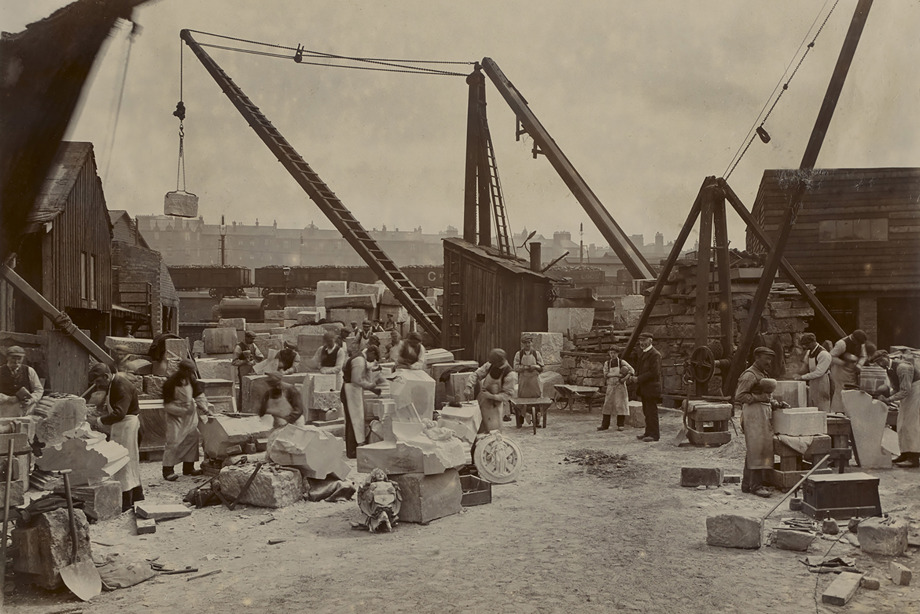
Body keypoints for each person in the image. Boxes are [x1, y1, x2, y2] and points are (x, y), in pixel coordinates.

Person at [84, 363, 144, 511]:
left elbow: (119, 413)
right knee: (129, 462)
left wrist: (98, 421)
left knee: (123, 463)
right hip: (122, 426)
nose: (97, 386)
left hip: (127, 426)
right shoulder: (113, 383)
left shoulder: (121, 385)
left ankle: (126, 502)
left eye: (98, 382)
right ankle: (136, 496)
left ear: (106, 376)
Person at [734, 347, 782, 498]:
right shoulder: (749, 375)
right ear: (757, 358)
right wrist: (759, 399)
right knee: (756, 449)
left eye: (770, 359)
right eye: (766, 358)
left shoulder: (762, 374)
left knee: (757, 449)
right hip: (753, 414)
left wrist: (775, 403)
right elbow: (740, 396)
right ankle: (756, 486)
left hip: (762, 413)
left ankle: (747, 484)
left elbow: (766, 396)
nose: (769, 362)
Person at [161, 359, 212, 481]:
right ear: (182, 370)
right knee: (174, 441)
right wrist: (182, 411)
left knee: (192, 437)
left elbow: (199, 395)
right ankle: (167, 470)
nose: (191, 373)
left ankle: (188, 468)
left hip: (189, 415)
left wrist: (205, 409)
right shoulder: (170, 382)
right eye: (189, 371)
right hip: (175, 415)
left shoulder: (191, 379)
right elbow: (167, 405)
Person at [341, 346, 386, 459]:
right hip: (350, 390)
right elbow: (357, 379)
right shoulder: (359, 360)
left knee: (356, 419)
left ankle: (354, 448)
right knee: (353, 420)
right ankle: (352, 451)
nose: (373, 360)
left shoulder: (360, 358)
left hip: (353, 389)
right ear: (370, 352)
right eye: (374, 357)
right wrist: (372, 387)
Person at [878, 350, 920, 468]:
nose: (880, 364)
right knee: (901, 424)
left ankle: (914, 457)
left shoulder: (902, 367)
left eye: (881, 360)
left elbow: (905, 390)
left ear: (886, 357)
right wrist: (887, 396)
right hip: (908, 392)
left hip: (916, 391)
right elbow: (897, 388)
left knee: (911, 424)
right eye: (877, 362)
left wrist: (889, 399)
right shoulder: (889, 369)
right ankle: (905, 453)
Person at [465, 349, 518, 433]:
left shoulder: (510, 375)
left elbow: (507, 395)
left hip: (494, 406)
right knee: (476, 429)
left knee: (492, 432)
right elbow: (476, 374)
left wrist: (491, 396)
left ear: (500, 361)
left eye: (494, 362)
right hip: (481, 401)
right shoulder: (490, 365)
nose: (492, 364)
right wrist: (468, 386)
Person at [829, 329, 868, 412]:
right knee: (840, 391)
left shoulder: (861, 343)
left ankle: (849, 411)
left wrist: (859, 365)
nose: (859, 345)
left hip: (852, 371)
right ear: (853, 339)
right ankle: (838, 411)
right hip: (840, 371)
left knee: (851, 391)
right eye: (858, 343)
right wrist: (843, 363)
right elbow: (831, 357)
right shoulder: (841, 344)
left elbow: (863, 356)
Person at [634, 332, 662, 442]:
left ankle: (654, 435)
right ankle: (648, 432)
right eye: (640, 341)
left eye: (644, 340)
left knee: (652, 412)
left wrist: (638, 379)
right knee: (646, 411)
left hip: (651, 388)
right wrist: (636, 375)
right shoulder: (644, 353)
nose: (641, 343)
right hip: (645, 388)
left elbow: (654, 373)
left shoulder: (655, 354)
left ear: (650, 341)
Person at [599, 346, 634, 431]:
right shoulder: (607, 363)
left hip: (620, 386)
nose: (612, 355)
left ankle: (620, 425)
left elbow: (632, 370)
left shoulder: (622, 362)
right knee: (607, 405)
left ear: (617, 353)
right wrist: (618, 375)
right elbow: (606, 374)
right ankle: (605, 425)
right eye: (611, 353)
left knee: (620, 405)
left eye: (614, 353)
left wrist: (625, 378)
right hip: (610, 386)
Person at [0, 345, 43, 416]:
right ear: (7, 357)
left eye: (19, 358)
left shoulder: (29, 371)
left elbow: (38, 390)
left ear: (23, 358)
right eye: (13, 358)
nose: (16, 361)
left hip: (24, 410)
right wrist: (6, 398)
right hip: (4, 410)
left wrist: (31, 400)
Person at [796, 333, 831, 412]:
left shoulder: (823, 354)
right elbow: (805, 365)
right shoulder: (809, 352)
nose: (804, 347)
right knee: (812, 403)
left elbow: (819, 372)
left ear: (813, 342)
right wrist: (797, 373)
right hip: (813, 380)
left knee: (822, 404)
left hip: (822, 381)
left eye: (806, 344)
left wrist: (802, 377)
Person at [232, 331, 264, 409]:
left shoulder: (253, 345)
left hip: (252, 369)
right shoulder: (239, 347)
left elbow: (260, 355)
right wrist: (244, 361)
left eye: (253, 339)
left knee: (253, 388)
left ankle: (252, 407)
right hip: (243, 370)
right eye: (251, 339)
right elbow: (234, 362)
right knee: (243, 389)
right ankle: (242, 407)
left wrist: (258, 357)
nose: (253, 340)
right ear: (246, 337)